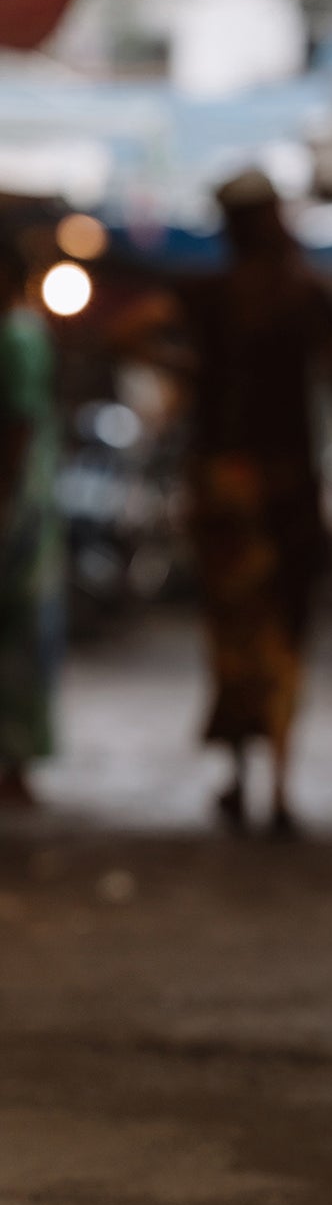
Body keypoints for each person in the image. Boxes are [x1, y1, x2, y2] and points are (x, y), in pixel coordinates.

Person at [176, 172, 332, 835]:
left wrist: (189, 371)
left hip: (222, 484)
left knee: (234, 633)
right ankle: (280, 786)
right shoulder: (306, 296)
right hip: (289, 487)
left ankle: (237, 776)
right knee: (288, 629)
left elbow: (125, 334)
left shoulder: (206, 298)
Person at [0, 238, 62, 805]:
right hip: (28, 500)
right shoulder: (26, 332)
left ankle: (14, 762)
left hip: (19, 504)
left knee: (17, 632)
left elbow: (18, 425)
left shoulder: (17, 335)